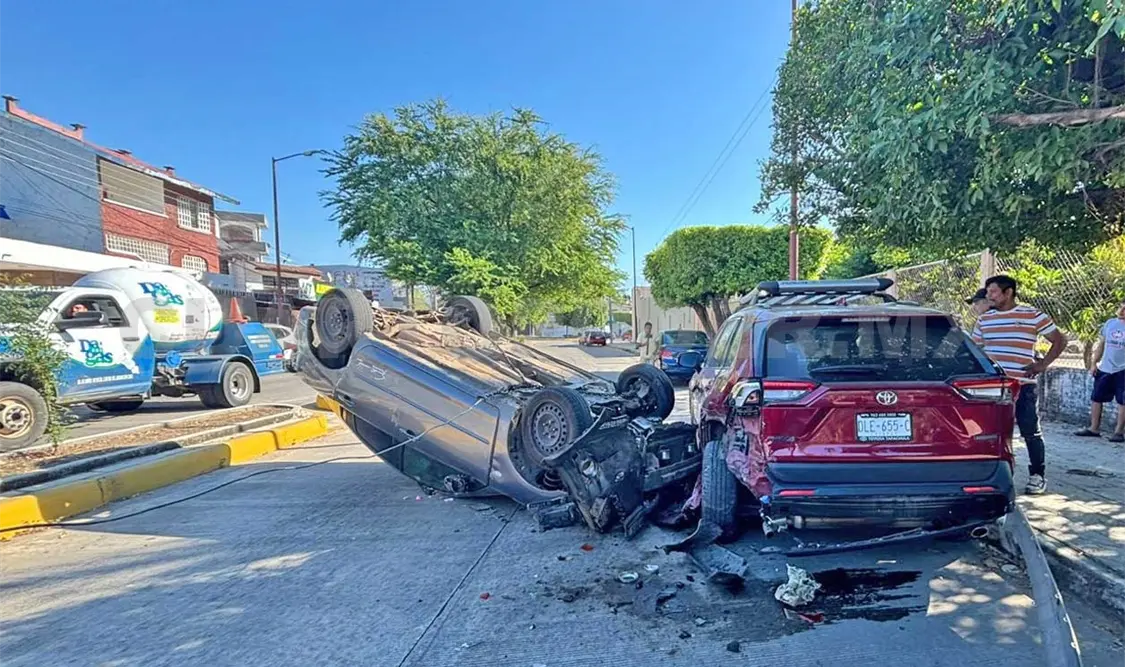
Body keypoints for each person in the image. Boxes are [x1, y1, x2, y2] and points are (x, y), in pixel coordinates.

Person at [972, 275, 1067, 495]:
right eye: (987, 292)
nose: (989, 296)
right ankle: (995, 475)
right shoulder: (985, 320)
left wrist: (1043, 364)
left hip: (1023, 385)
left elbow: (1060, 339)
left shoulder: (1032, 315)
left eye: (993, 292)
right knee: (991, 432)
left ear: (1008, 293)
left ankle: (1037, 475)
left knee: (1030, 431)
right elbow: (976, 350)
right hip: (994, 387)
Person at [1074, 300, 1125, 442]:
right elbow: (1102, 344)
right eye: (1121, 307)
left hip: (1122, 369)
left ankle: (1118, 432)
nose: (1122, 310)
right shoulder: (1110, 323)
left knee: (1123, 401)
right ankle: (1094, 428)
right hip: (1105, 368)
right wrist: (1094, 363)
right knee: (1096, 398)